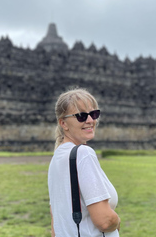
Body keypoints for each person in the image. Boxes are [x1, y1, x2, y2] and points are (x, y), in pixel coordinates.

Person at [48, 88, 121, 237]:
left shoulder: (57, 157)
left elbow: (55, 224)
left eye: (94, 114)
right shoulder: (83, 153)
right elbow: (105, 221)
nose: (90, 120)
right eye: (81, 116)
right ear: (63, 123)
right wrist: (117, 221)